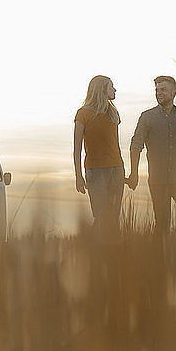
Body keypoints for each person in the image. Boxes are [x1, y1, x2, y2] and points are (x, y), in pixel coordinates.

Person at [126, 75, 176, 233]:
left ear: (174, 92)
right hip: (158, 180)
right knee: (162, 225)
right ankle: (160, 257)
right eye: (156, 90)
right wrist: (134, 173)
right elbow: (136, 145)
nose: (159, 93)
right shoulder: (147, 117)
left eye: (163, 90)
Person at [73, 75, 125, 235]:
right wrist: (78, 176)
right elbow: (77, 148)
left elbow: (115, 144)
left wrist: (124, 172)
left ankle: (113, 254)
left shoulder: (113, 113)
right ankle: (94, 248)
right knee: (101, 215)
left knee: (113, 218)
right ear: (102, 90)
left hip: (116, 169)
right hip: (95, 171)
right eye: (111, 86)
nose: (115, 89)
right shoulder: (83, 114)